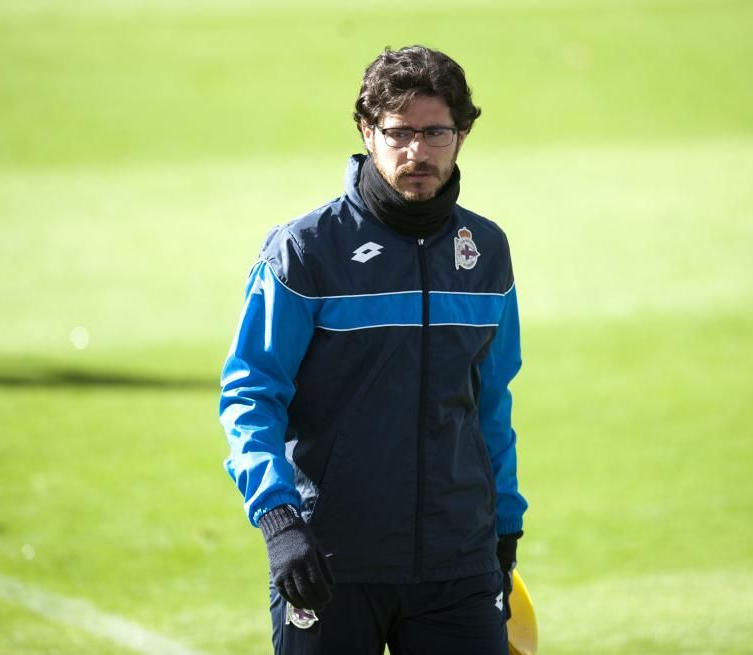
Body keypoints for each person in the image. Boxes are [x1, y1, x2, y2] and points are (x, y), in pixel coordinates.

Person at [219, 45, 528, 655]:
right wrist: (280, 521)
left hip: (458, 564)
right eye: (399, 132)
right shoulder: (305, 252)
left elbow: (492, 399)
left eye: (436, 132)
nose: (417, 152)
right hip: (331, 563)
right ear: (368, 130)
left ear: (462, 135)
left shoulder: (486, 251)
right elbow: (250, 393)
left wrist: (506, 524)